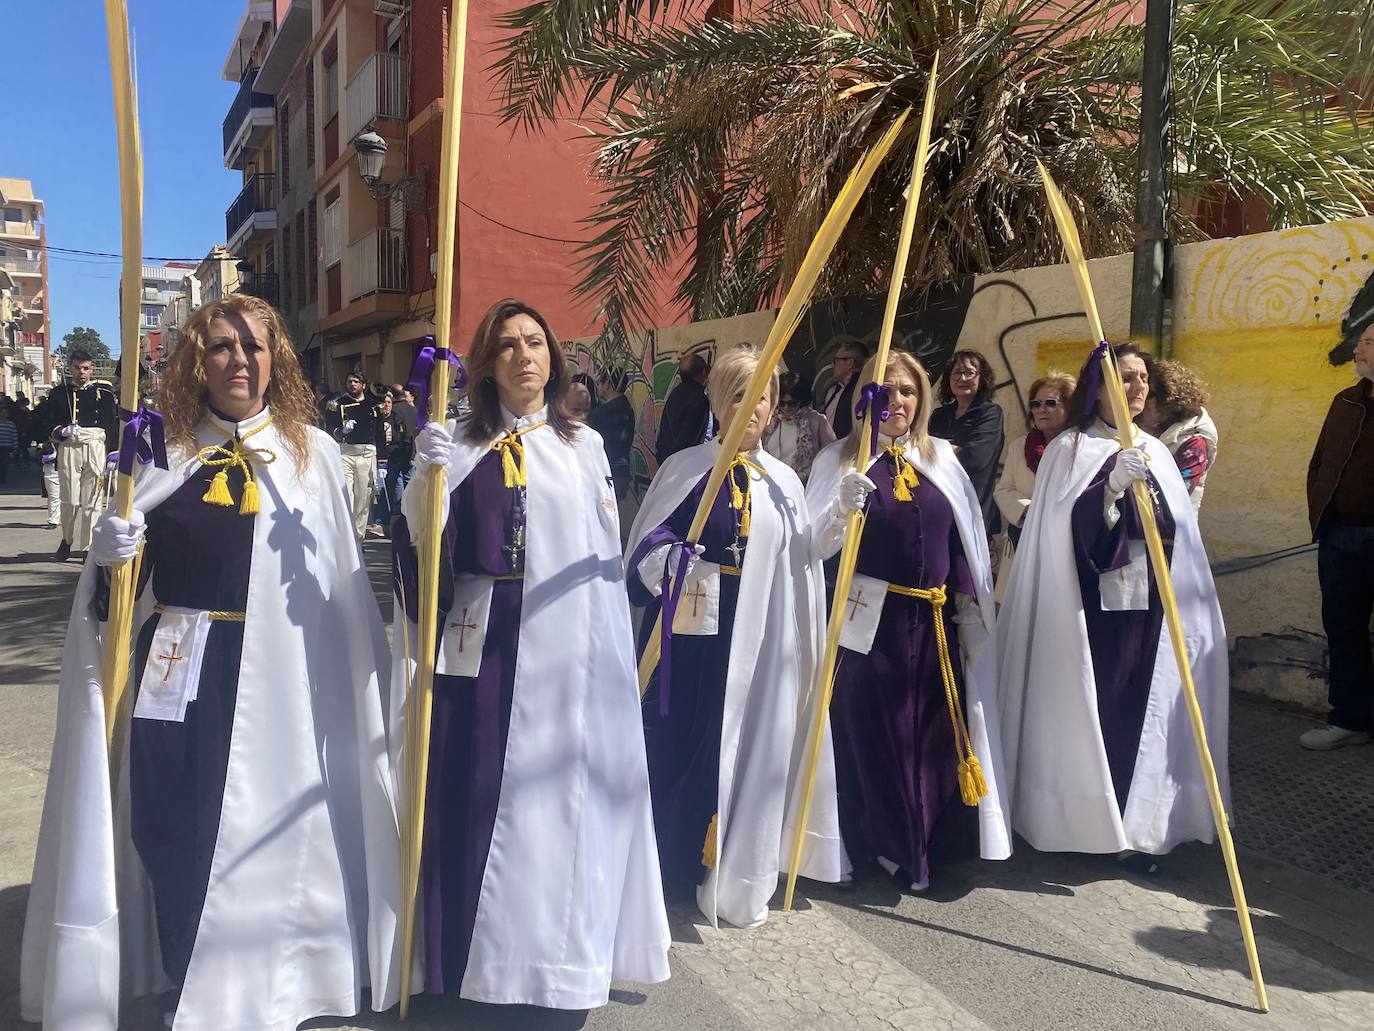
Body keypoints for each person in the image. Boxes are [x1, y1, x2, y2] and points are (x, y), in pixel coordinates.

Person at [21, 294, 402, 1030]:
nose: (239, 360)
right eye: (222, 347)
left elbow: (342, 593)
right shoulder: (155, 451)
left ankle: (267, 982)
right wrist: (111, 557)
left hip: (281, 683)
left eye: (254, 347)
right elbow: (110, 606)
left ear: (275, 361)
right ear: (199, 360)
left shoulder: (310, 455)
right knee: (173, 825)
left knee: (269, 832)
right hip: (181, 671)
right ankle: (183, 966)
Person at [394, 298, 670, 1008]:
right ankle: (464, 967)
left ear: (554, 357)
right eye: (508, 345)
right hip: (481, 654)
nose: (524, 355)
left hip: (562, 655)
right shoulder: (454, 446)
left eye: (536, 343)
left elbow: (602, 566)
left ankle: (547, 962)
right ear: (486, 363)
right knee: (474, 801)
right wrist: (424, 495)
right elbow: (419, 570)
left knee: (555, 814)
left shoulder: (584, 448)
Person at [625, 345, 848, 929]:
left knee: (740, 753)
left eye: (764, 397)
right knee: (680, 747)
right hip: (692, 643)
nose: (753, 409)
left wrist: (838, 519)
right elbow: (644, 549)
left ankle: (725, 860)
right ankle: (666, 866)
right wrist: (668, 559)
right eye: (740, 396)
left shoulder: (783, 484)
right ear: (719, 403)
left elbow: (803, 567)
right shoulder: (686, 468)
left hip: (755, 647)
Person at [997, 343, 1228, 862]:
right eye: (1125, 377)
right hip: (1086, 609)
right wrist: (1107, 490)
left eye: (1143, 377)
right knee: (1094, 705)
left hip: (1148, 604)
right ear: (1097, 386)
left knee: (1137, 709)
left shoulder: (1156, 450)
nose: (1138, 387)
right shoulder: (1071, 449)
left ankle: (1133, 820)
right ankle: (1084, 817)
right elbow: (1065, 534)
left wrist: (1147, 495)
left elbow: (1176, 528)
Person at [807, 352, 1010, 892]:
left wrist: (969, 603)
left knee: (935, 740)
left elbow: (962, 536)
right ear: (862, 400)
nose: (895, 401)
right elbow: (810, 549)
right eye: (882, 391)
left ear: (921, 399)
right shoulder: (838, 462)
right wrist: (839, 510)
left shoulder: (942, 457)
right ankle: (885, 845)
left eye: (906, 391)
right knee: (877, 736)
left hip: (936, 624)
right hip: (869, 625)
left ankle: (930, 846)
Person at [1303, 317, 1374, 749]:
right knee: (1344, 629)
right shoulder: (1346, 402)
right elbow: (1320, 463)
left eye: (1366, 342)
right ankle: (1350, 720)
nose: (1357, 349)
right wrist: (1321, 513)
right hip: (1342, 537)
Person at [993, 371, 1076, 601]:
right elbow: (1003, 490)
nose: (1041, 409)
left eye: (1051, 403)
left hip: (1062, 546)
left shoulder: (1081, 449)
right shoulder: (1020, 446)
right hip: (1022, 540)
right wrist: (1030, 510)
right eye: (1036, 403)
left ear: (1069, 407)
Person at [46, 350, 118, 560]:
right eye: (77, 368)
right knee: (69, 500)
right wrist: (60, 431)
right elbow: (47, 420)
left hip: (95, 446)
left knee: (93, 501)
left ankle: (88, 547)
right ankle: (66, 539)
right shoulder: (59, 393)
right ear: (70, 368)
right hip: (70, 447)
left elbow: (112, 424)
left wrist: (113, 451)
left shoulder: (104, 393)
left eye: (86, 368)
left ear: (92, 369)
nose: (81, 373)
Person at [930, 350, 1004, 535]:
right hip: (938, 507)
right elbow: (921, 454)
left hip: (973, 511)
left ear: (982, 377)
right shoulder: (939, 415)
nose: (962, 378)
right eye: (956, 373)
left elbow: (974, 458)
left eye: (969, 372)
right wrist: (953, 448)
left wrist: (938, 447)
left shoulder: (990, 413)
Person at [1139, 358, 1218, 513]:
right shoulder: (1138, 425)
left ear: (1169, 397)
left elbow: (1175, 498)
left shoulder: (1194, 442)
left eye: (1150, 394)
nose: (1142, 398)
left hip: (1171, 534)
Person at [324, 370, 384, 542]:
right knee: (346, 493)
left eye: (356, 381)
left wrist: (382, 463)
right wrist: (341, 431)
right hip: (346, 453)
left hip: (366, 454)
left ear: (363, 385)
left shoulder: (374, 406)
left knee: (363, 496)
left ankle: (358, 533)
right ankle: (345, 531)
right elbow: (330, 430)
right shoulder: (336, 404)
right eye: (350, 381)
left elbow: (379, 435)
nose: (352, 384)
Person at [763, 372, 836, 483]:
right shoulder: (770, 419)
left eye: (792, 403)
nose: (786, 408)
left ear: (802, 400)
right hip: (769, 481)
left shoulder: (816, 420)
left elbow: (832, 454)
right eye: (782, 403)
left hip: (803, 487)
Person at [587, 365, 636, 498]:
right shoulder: (627, 407)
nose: (597, 387)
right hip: (622, 470)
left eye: (599, 383)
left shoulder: (603, 413)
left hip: (607, 472)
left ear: (607, 385)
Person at [655, 352, 713, 464]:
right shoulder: (699, 400)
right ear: (703, 372)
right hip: (686, 465)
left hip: (669, 461)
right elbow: (692, 440)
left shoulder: (675, 394)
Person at [820, 342, 867, 439]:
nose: (833, 365)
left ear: (850, 363)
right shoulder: (837, 389)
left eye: (836, 361)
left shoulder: (859, 391)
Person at [0, 401, 16, 484]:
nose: (4, 414)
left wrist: (15, 447)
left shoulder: (11, 424)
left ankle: (3, 478)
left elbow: (14, 436)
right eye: (2, 413)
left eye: (6, 413)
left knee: (4, 463)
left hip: (7, 447)